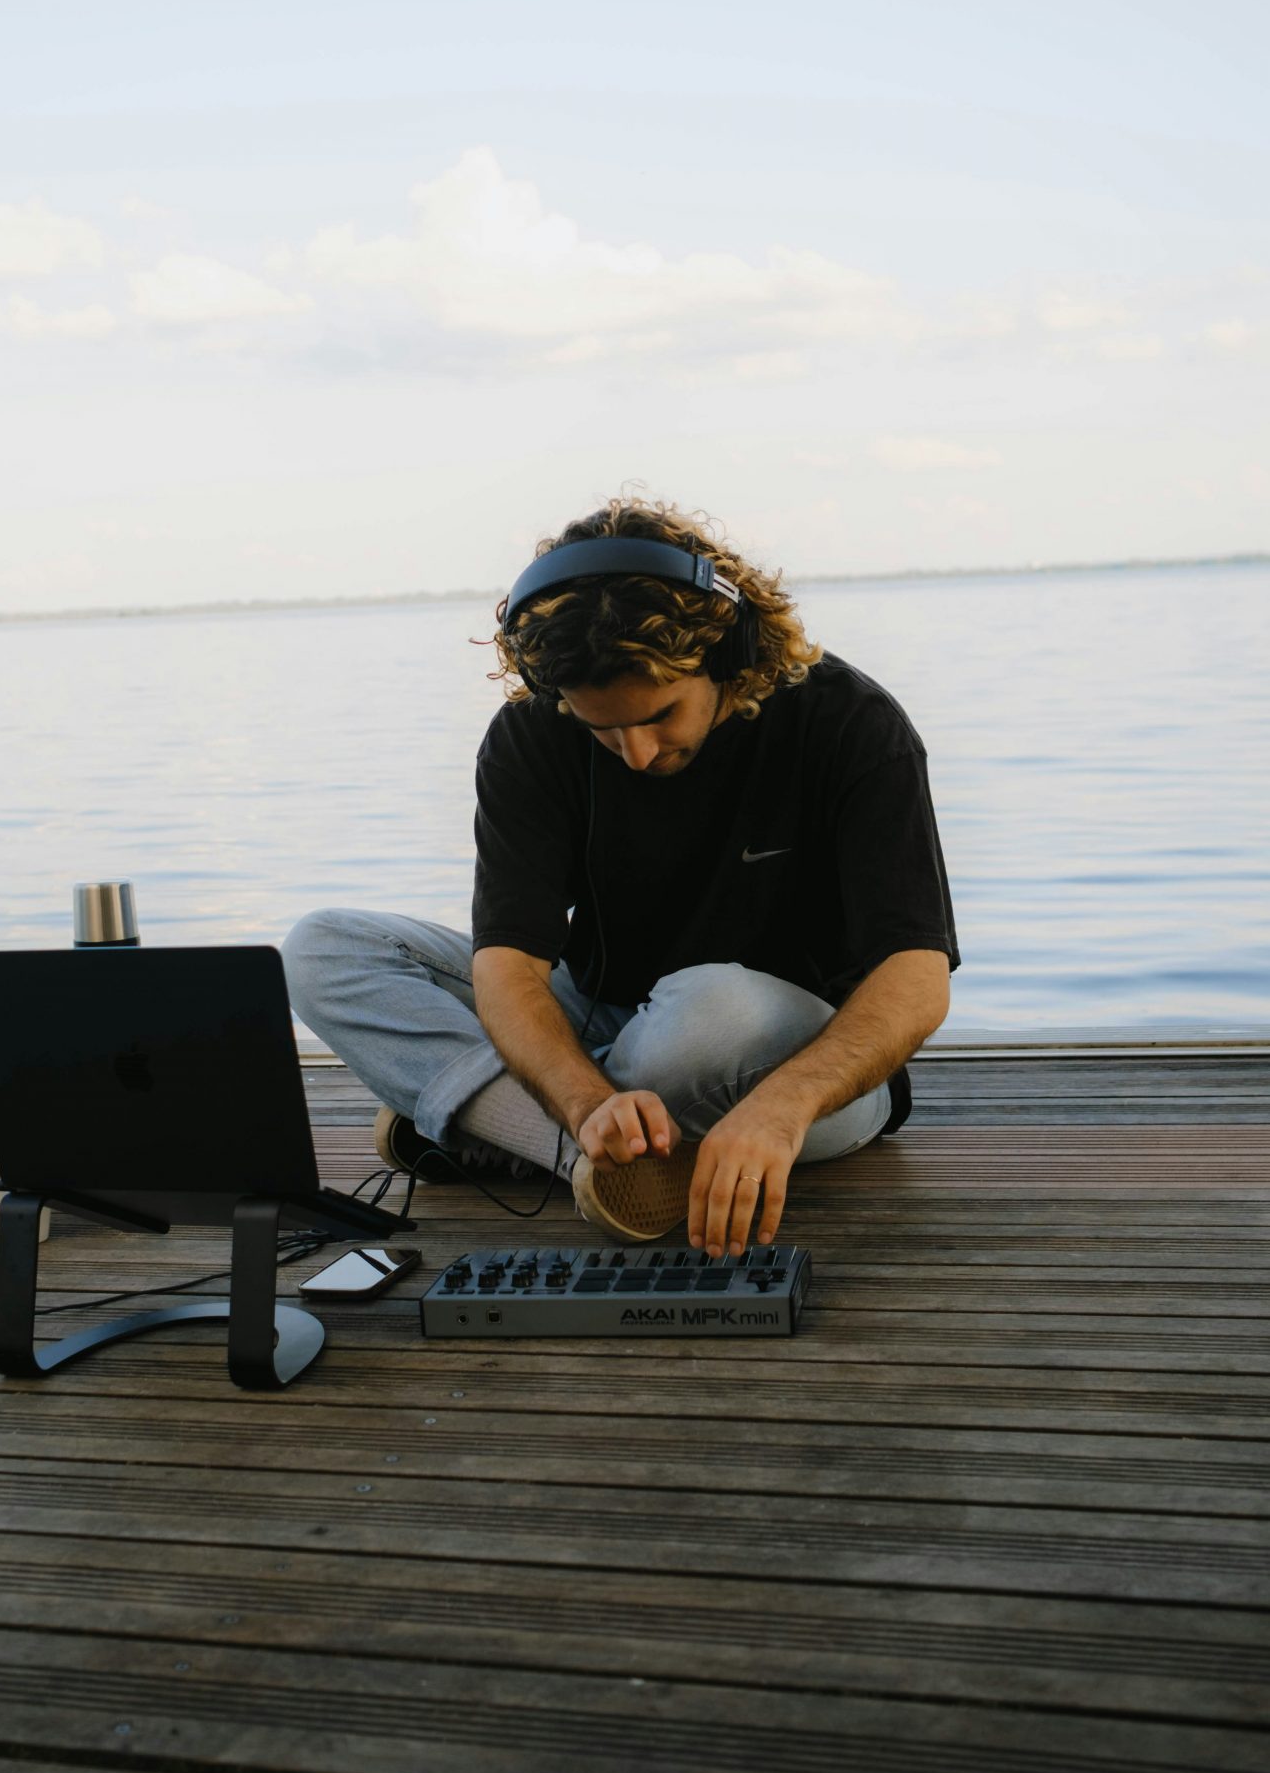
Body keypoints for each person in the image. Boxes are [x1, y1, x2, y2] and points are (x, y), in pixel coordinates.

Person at [283, 495, 958, 1251]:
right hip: (600, 1013)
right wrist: (580, 1100)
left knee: (708, 1010)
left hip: (790, 1063)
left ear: (730, 655)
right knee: (322, 948)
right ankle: (586, 1156)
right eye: (601, 727)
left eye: (659, 716)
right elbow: (508, 967)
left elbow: (916, 978)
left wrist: (782, 1108)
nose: (635, 754)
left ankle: (488, 1119)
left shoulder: (853, 724)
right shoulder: (530, 736)